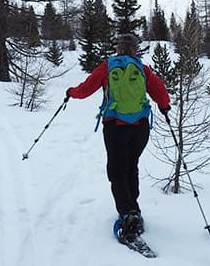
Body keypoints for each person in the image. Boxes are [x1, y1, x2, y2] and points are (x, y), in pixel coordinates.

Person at [66, 33, 170, 242]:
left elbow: (86, 89)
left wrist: (71, 92)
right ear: (134, 49)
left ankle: (128, 213)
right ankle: (134, 209)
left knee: (116, 171)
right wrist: (164, 106)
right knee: (131, 166)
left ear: (118, 48)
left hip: (115, 127)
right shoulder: (143, 69)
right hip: (140, 127)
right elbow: (161, 92)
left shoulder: (107, 67)